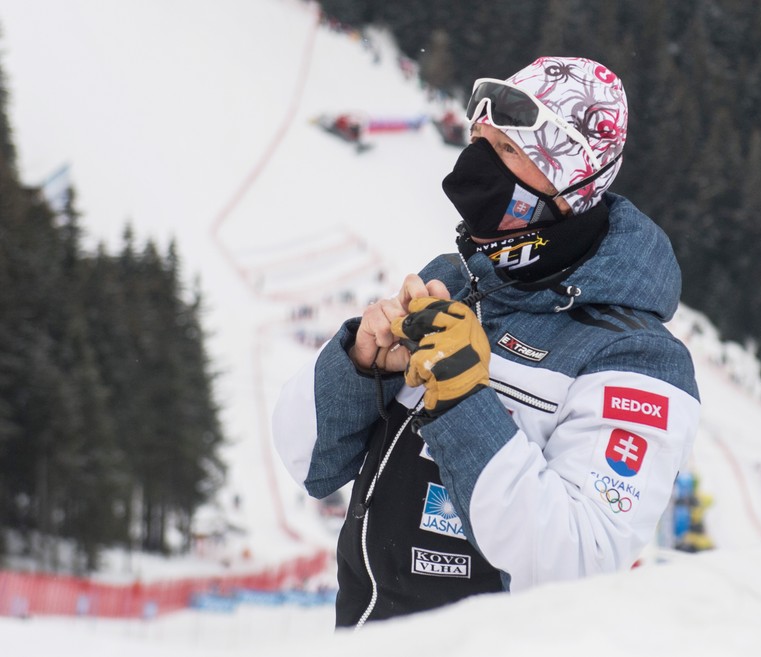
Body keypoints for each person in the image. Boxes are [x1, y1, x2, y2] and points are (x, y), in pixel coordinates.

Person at [272, 56, 700, 629]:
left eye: (506, 151)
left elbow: (580, 560)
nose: (473, 168)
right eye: (478, 140)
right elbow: (307, 461)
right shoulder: (457, 282)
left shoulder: (638, 361)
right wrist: (360, 364)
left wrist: (464, 403)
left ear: (571, 184)